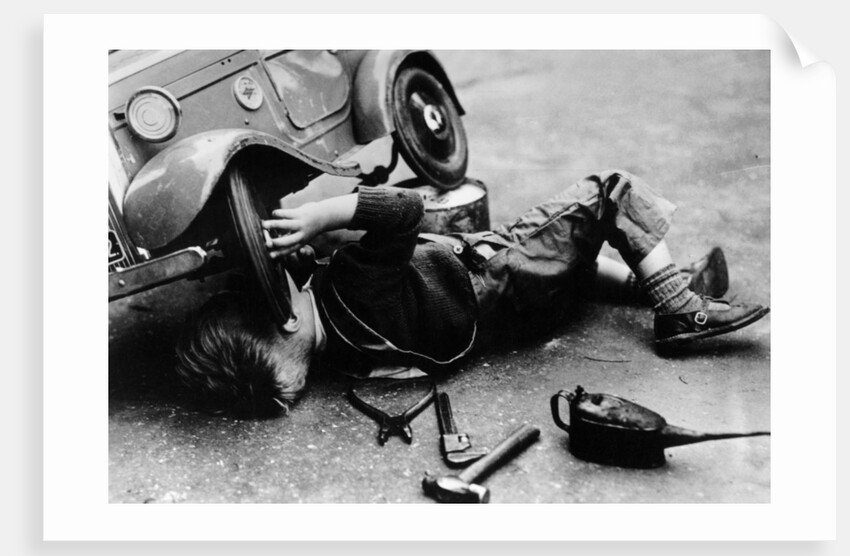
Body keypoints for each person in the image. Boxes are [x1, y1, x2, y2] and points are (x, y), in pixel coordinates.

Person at [175, 170, 769, 418]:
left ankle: (658, 282)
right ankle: (676, 305)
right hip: (499, 271)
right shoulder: (353, 285)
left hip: (507, 320)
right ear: (285, 320)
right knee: (607, 195)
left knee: (576, 273)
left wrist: (311, 256)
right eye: (275, 287)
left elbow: (324, 290)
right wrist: (324, 215)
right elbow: (406, 208)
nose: (287, 273)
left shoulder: (347, 353)